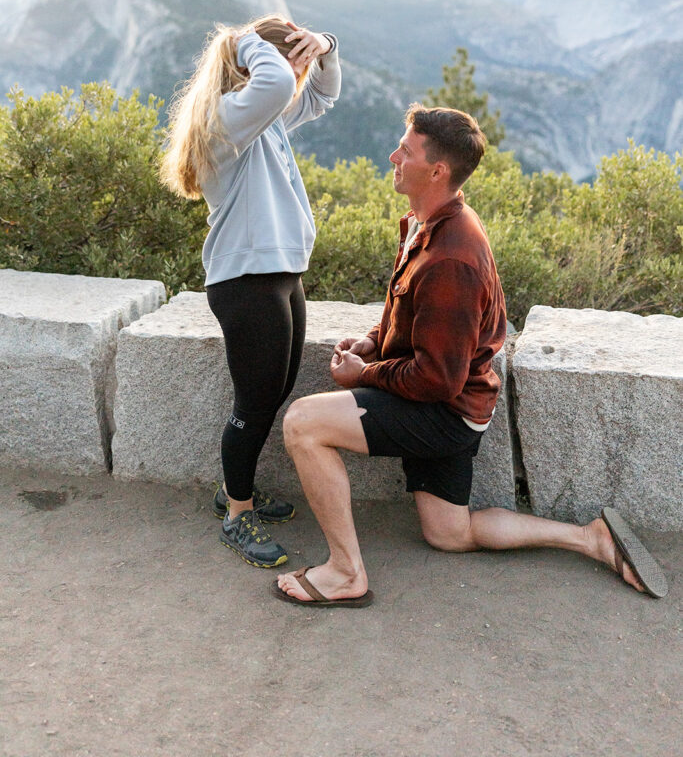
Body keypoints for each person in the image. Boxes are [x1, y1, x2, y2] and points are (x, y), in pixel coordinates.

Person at [272, 104, 668, 606]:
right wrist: (374, 339)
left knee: (303, 423)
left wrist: (364, 373)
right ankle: (589, 538)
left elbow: (436, 378)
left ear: (437, 170)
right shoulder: (429, 222)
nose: (393, 155)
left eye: (407, 150)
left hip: (442, 412)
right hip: (457, 405)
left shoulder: (452, 258)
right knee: (449, 533)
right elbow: (413, 314)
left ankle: (347, 573)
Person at [161, 13, 341, 568]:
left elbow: (322, 97)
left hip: (280, 274)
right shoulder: (225, 121)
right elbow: (278, 86)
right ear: (249, 66)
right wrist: (239, 40)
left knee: (274, 390)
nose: (297, 76)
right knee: (254, 401)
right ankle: (237, 512)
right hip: (246, 284)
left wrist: (325, 46)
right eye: (289, 63)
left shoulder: (262, 121)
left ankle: (233, 489)